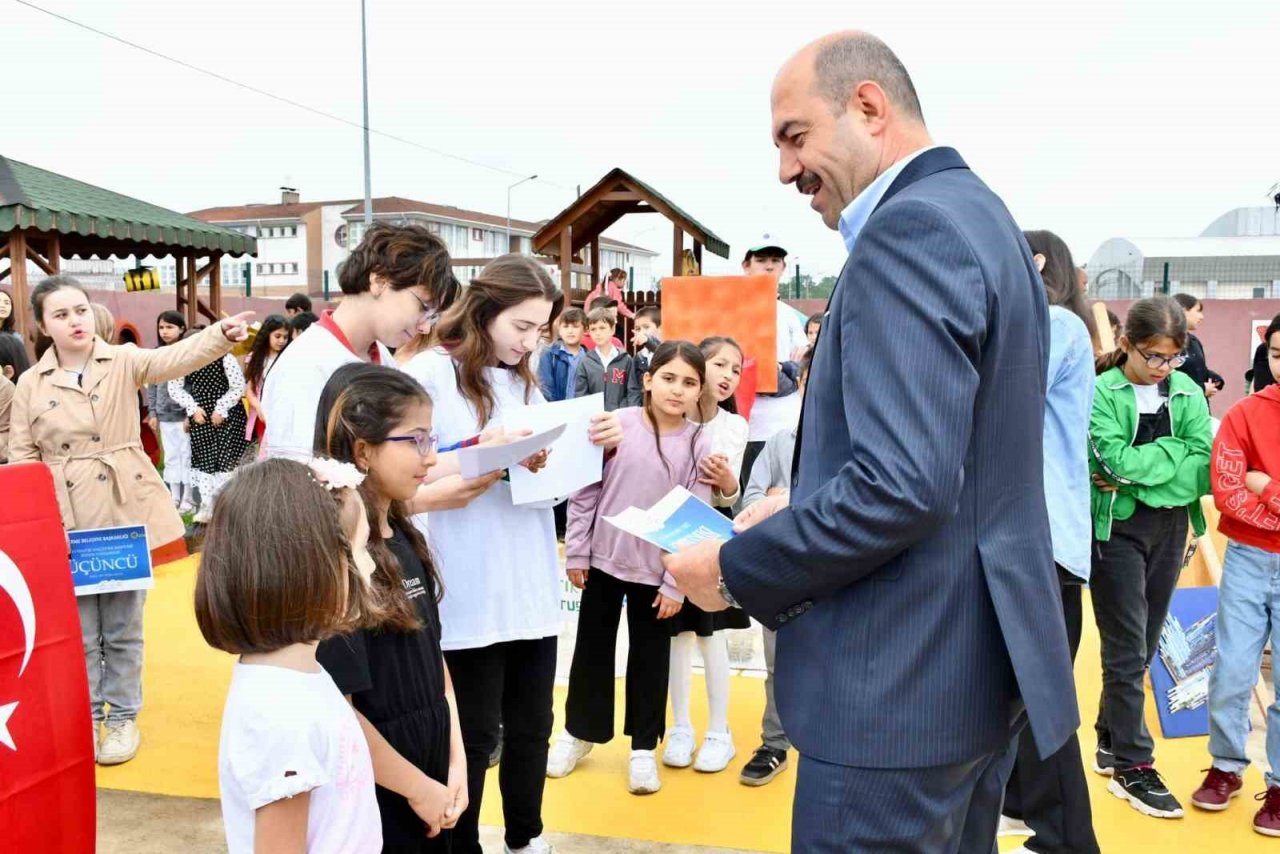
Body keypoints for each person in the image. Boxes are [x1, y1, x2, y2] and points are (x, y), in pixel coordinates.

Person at [662, 32, 1078, 851]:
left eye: (794, 136)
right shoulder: (980, 214)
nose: (786, 170)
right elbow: (952, 458)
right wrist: (806, 497)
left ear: (869, 107)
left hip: (895, 699)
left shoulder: (909, 230)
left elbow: (902, 486)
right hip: (966, 681)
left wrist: (733, 568)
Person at [399, 254, 623, 854]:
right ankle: (462, 841)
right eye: (521, 327)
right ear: (484, 311)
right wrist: (489, 451)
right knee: (470, 735)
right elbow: (412, 472)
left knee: (532, 727)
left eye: (539, 330)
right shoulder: (429, 374)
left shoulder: (524, 377)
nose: (530, 342)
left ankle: (526, 836)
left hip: (526, 577)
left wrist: (588, 445)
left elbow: (546, 479)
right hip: (465, 580)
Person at [9, 275, 252, 766]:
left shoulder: (121, 360)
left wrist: (218, 337)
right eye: (61, 315)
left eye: (80, 310)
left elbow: (172, 360)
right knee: (76, 630)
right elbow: (22, 458)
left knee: (121, 625)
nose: (74, 321)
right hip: (63, 517)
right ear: (42, 326)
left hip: (122, 509)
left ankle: (120, 717)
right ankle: (83, 714)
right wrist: (37, 526)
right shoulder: (30, 385)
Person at [314, 364, 468, 851]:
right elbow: (339, 706)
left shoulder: (405, 536)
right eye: (416, 440)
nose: (431, 456)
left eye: (432, 438)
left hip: (433, 762)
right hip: (379, 778)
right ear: (363, 450)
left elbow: (433, 656)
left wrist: (456, 761)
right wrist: (418, 788)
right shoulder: (341, 561)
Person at [196, 457, 382, 854]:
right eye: (361, 549)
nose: (369, 566)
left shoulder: (296, 676)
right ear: (311, 568)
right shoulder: (282, 717)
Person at [549, 341, 712, 794]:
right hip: (603, 560)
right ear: (648, 378)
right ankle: (578, 733)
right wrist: (578, 550)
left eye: (689, 382)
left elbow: (693, 515)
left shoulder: (699, 441)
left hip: (657, 571)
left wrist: (675, 582)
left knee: (650, 658)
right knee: (592, 651)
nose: (677, 390)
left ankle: (643, 748)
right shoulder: (615, 425)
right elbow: (586, 489)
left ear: (699, 391)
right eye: (668, 378)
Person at [1089, 295, 1212, 819]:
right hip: (1116, 529)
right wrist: (1173, 456)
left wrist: (1144, 468)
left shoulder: (1185, 390)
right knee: (1124, 648)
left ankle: (1108, 734)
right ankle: (1134, 767)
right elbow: (1108, 461)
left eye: (1172, 358)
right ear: (1125, 345)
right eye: (1153, 357)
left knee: (1143, 642)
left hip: (1171, 526)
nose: (1163, 369)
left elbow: (1203, 461)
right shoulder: (1101, 391)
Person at [999, 230, 1101, 853]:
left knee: (1042, 704)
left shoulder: (1055, 323)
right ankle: (1031, 816)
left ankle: (1066, 839)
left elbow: (1006, 395)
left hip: (1043, 544)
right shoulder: (1063, 325)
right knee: (1024, 698)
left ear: (1034, 263)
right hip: (1040, 539)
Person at [1190, 312, 1280, 834]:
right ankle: (1226, 767)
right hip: (1246, 556)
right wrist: (1253, 489)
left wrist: (1266, 487)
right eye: (1276, 353)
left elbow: (1249, 490)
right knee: (1231, 672)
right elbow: (1226, 491)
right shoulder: (1245, 414)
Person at [262, 222, 457, 461]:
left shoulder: (381, 356)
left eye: (433, 317)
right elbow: (296, 477)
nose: (425, 326)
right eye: (423, 308)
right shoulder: (306, 364)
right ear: (379, 281)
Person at [664, 336, 749, 774]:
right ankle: (681, 727)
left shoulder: (734, 428)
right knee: (677, 638)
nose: (728, 376)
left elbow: (729, 496)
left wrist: (727, 481)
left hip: (713, 546)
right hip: (670, 543)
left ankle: (720, 731)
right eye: (720, 364)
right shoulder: (670, 421)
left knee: (711, 636)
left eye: (736, 369)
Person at [737, 354, 810, 788]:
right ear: (801, 382)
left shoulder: (865, 445)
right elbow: (750, 503)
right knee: (778, 664)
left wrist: (791, 499)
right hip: (785, 571)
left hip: (845, 575)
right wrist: (775, 505)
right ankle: (775, 743)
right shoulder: (781, 442)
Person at [737, 235, 808, 487]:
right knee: (743, 501)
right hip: (743, 425)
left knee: (781, 495)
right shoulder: (730, 309)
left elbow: (801, 364)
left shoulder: (791, 317)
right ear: (746, 265)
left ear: (783, 268)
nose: (769, 266)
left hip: (782, 422)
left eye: (775, 261)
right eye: (761, 260)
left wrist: (785, 371)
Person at [169, 336, 250, 525]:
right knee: (205, 460)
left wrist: (222, 408)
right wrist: (192, 408)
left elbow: (238, 386)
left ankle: (230, 508)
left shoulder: (225, 358)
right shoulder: (187, 361)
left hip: (229, 416)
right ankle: (207, 507)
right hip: (201, 414)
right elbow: (175, 388)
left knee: (227, 460)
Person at [145, 311, 195, 511]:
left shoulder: (187, 354)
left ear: (181, 328)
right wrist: (153, 413)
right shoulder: (156, 354)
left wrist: (190, 414)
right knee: (172, 456)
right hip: (164, 415)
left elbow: (193, 386)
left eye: (170, 327)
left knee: (187, 455)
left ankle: (189, 498)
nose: (165, 331)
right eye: (161, 327)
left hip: (184, 415)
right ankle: (174, 496)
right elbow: (153, 386)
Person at [243, 314, 290, 446]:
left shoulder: (289, 357)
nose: (281, 341)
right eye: (277, 336)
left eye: (285, 337)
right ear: (267, 335)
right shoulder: (255, 358)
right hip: (263, 414)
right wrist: (259, 408)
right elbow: (250, 390)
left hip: (284, 412)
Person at [575, 307, 633, 412]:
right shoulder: (586, 362)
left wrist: (621, 412)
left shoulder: (626, 360)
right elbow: (581, 394)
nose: (597, 333)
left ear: (612, 329)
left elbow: (631, 391)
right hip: (595, 419)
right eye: (593, 329)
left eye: (602, 328)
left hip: (620, 419)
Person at [1173, 293, 1224, 401]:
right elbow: (1168, 379)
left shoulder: (1194, 341)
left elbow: (1199, 370)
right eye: (1198, 311)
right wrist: (1201, 388)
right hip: (1180, 407)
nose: (1202, 316)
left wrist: (1214, 378)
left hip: (1199, 406)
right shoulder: (1167, 342)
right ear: (1183, 311)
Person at [537, 307, 586, 403]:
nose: (570, 331)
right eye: (566, 326)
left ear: (585, 329)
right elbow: (545, 387)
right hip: (556, 410)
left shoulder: (589, 357)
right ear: (559, 329)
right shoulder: (550, 354)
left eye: (575, 326)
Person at [625, 306, 662, 407]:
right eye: (638, 329)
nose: (641, 331)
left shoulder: (667, 350)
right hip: (644, 409)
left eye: (646, 327)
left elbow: (661, 351)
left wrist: (648, 340)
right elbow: (633, 388)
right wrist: (634, 410)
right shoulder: (639, 357)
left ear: (660, 329)